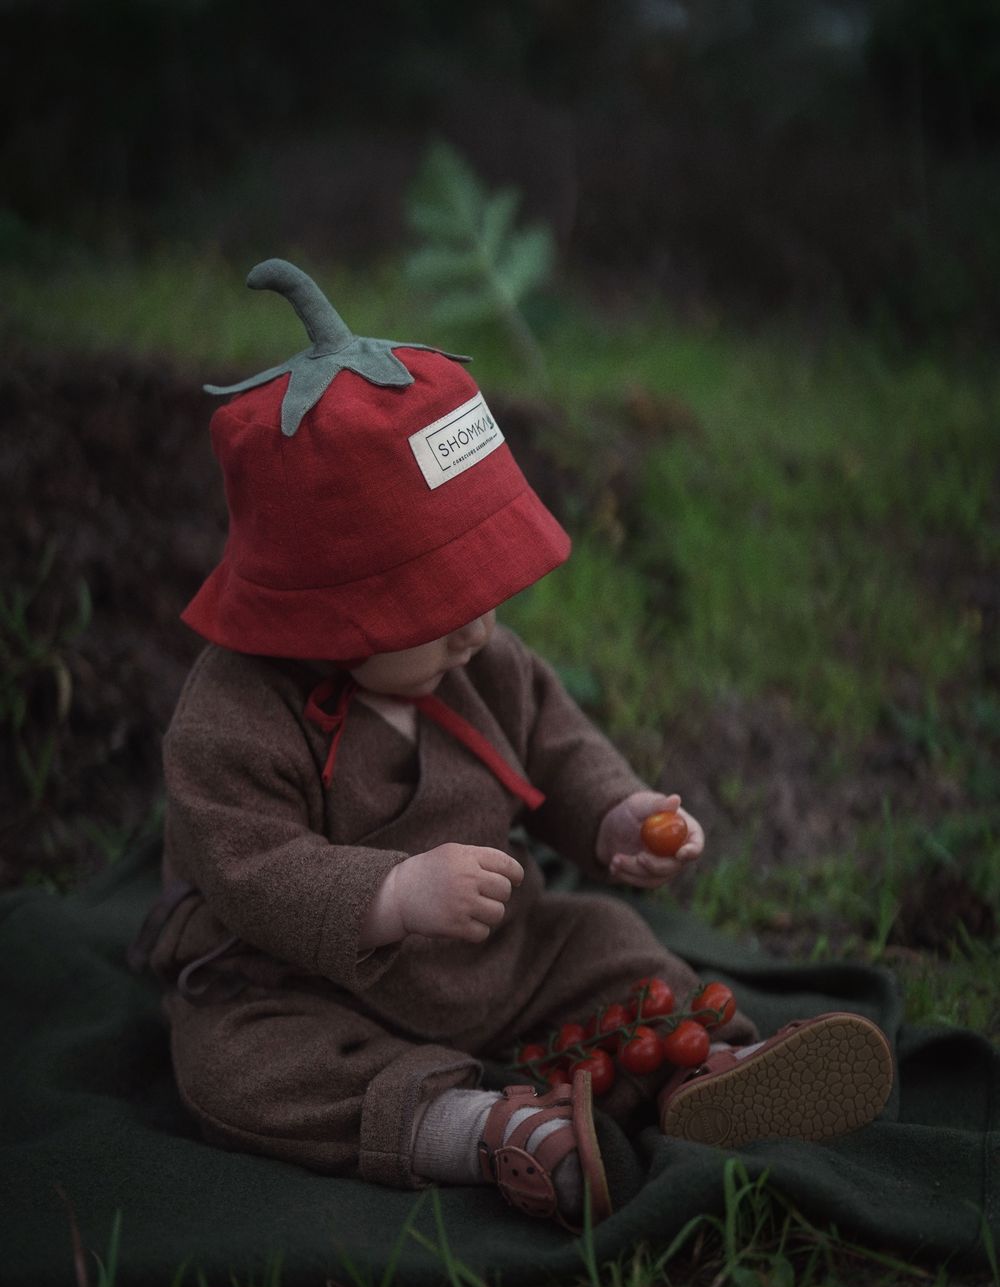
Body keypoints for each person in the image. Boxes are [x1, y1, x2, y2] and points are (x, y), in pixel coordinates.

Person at [140, 259, 893, 1234]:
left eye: (485, 593)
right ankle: (471, 1127)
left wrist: (616, 813)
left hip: (497, 957)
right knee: (236, 1068)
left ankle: (697, 1068)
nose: (477, 630)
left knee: (605, 941)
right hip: (305, 985)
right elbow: (249, 865)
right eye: (438, 607)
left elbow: (554, 739)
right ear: (322, 615)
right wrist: (389, 895)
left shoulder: (477, 660)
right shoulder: (231, 716)